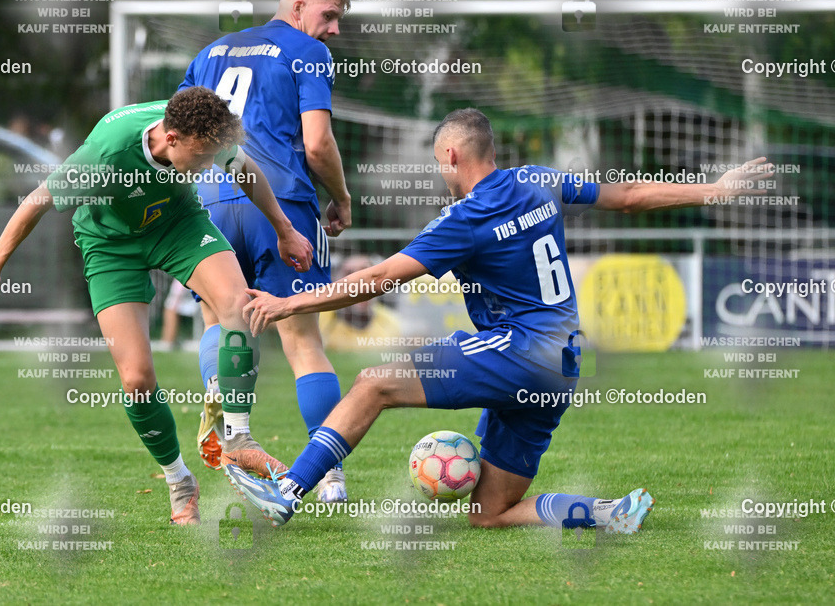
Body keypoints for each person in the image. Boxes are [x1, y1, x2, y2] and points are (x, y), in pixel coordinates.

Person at [230, 107, 774, 531]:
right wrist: (716, 189)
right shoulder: (538, 180)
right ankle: (608, 513)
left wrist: (288, 303)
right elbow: (629, 196)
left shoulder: (466, 218)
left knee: (374, 383)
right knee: (489, 512)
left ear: (450, 157)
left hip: (519, 351)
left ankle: (288, 492)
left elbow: (379, 279)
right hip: (561, 365)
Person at [0, 87, 312, 526]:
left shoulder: (204, 132)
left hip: (177, 225)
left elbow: (244, 169)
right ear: (173, 138)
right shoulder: (107, 153)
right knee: (137, 380)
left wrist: (284, 229)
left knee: (239, 306)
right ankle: (180, 481)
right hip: (111, 246)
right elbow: (37, 201)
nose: (207, 167)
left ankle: (238, 438)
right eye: (201, 158)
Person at [179, 0, 354, 502]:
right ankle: (326, 475)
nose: (334, 30)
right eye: (330, 16)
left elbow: (177, 131)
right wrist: (342, 198)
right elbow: (318, 143)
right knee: (301, 339)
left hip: (208, 199)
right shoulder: (308, 52)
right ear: (298, 7)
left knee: (220, 320)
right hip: (278, 201)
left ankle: (231, 425)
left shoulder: (211, 53)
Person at [318, 255, 401, 352]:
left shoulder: (390, 322)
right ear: (335, 281)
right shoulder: (319, 320)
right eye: (349, 273)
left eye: (366, 273)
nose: (358, 282)